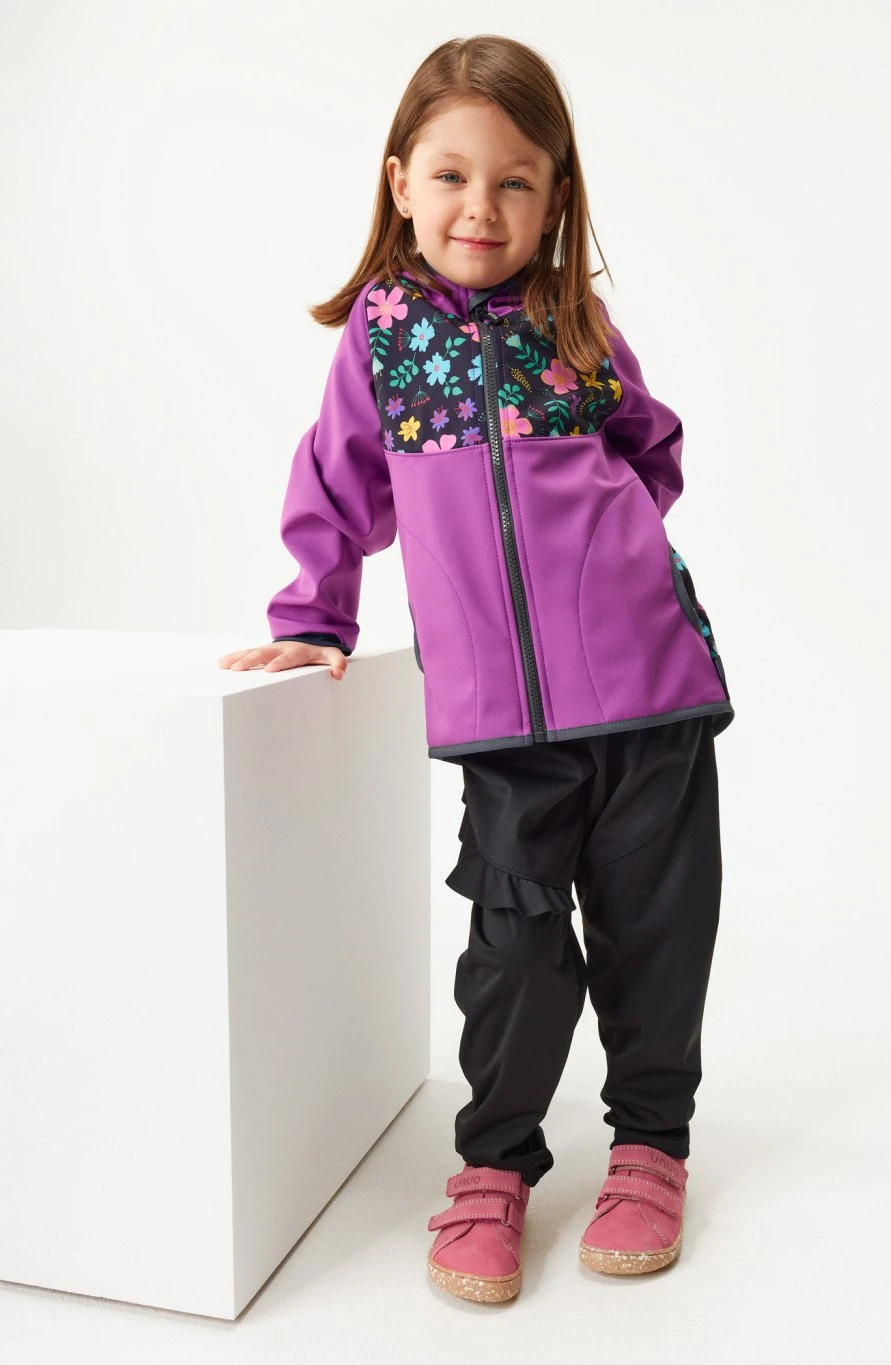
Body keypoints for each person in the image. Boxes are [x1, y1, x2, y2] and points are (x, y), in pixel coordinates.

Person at [217, 34, 735, 1304]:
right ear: (400, 182)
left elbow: (651, 448)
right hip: (500, 718)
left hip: (652, 692)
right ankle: (495, 1164)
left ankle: (650, 1147)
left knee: (656, 931)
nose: (480, 209)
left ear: (555, 196)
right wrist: (316, 617)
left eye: (515, 181)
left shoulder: (575, 321)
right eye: (451, 176)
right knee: (513, 952)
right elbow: (336, 483)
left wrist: (612, 556)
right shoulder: (385, 338)